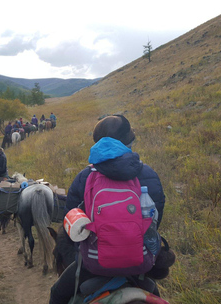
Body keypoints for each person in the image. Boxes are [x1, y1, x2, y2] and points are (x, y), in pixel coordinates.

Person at [49, 115, 166, 304]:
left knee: (57, 294)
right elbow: (156, 219)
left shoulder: (84, 177)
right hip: (140, 261)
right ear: (129, 141)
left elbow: (70, 222)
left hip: (94, 263)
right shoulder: (149, 174)